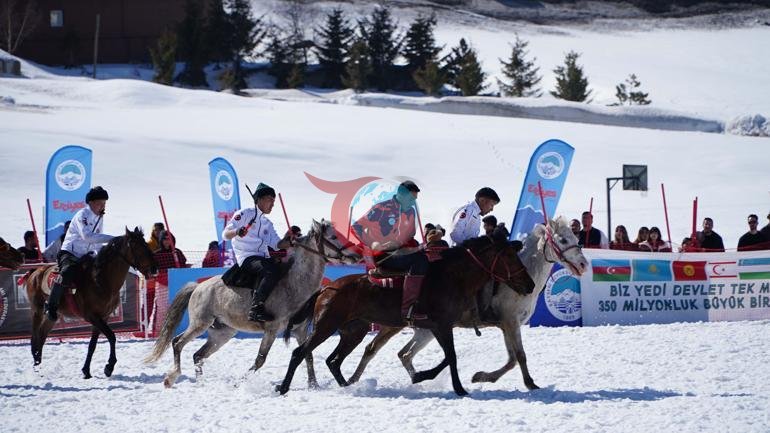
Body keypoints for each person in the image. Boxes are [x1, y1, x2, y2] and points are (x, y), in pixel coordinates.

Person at [352, 180, 428, 321]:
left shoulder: (411, 211)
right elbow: (356, 227)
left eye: (415, 199)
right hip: (384, 256)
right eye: (411, 199)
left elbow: (410, 236)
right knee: (420, 261)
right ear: (400, 194)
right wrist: (373, 243)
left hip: (401, 252)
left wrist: (419, 247)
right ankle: (408, 309)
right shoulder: (381, 208)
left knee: (429, 256)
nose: (413, 202)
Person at [223, 182, 295, 322]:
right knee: (271, 270)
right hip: (247, 257)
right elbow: (225, 234)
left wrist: (290, 242)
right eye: (270, 200)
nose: (273, 204)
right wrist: (237, 231)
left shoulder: (268, 223)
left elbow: (277, 244)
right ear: (259, 199)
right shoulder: (244, 214)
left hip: (263, 258)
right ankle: (256, 308)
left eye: (274, 201)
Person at [45, 186, 113, 321]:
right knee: (68, 271)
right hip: (69, 252)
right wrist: (113, 239)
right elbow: (87, 236)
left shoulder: (100, 218)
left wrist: (99, 256)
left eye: (104, 203)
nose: (103, 206)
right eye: (100, 202)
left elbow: (97, 241)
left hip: (86, 255)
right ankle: (51, 306)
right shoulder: (82, 215)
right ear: (91, 202)